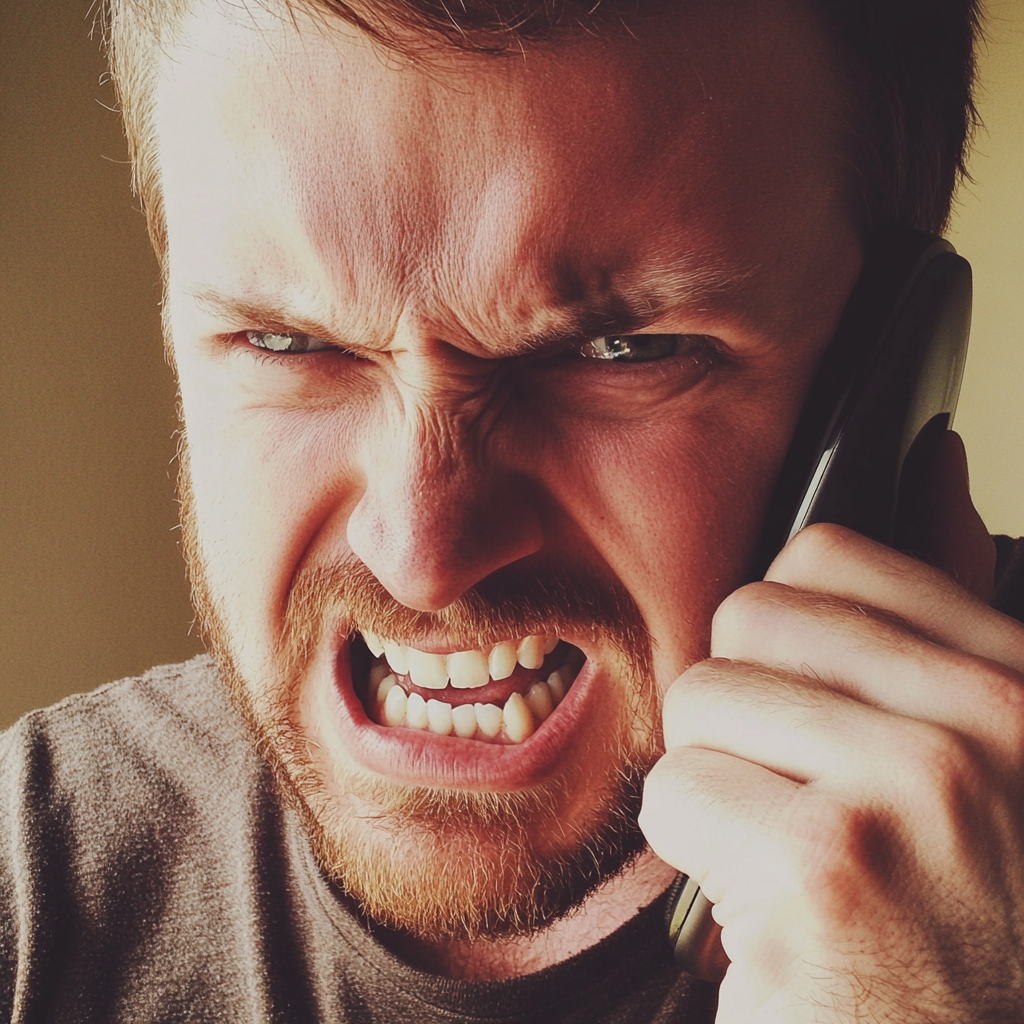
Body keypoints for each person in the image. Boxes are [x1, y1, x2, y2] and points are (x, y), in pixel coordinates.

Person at [2, 0, 1022, 1020]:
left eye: (618, 351)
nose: (421, 553)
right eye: (286, 341)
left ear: (894, 360)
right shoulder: (32, 879)